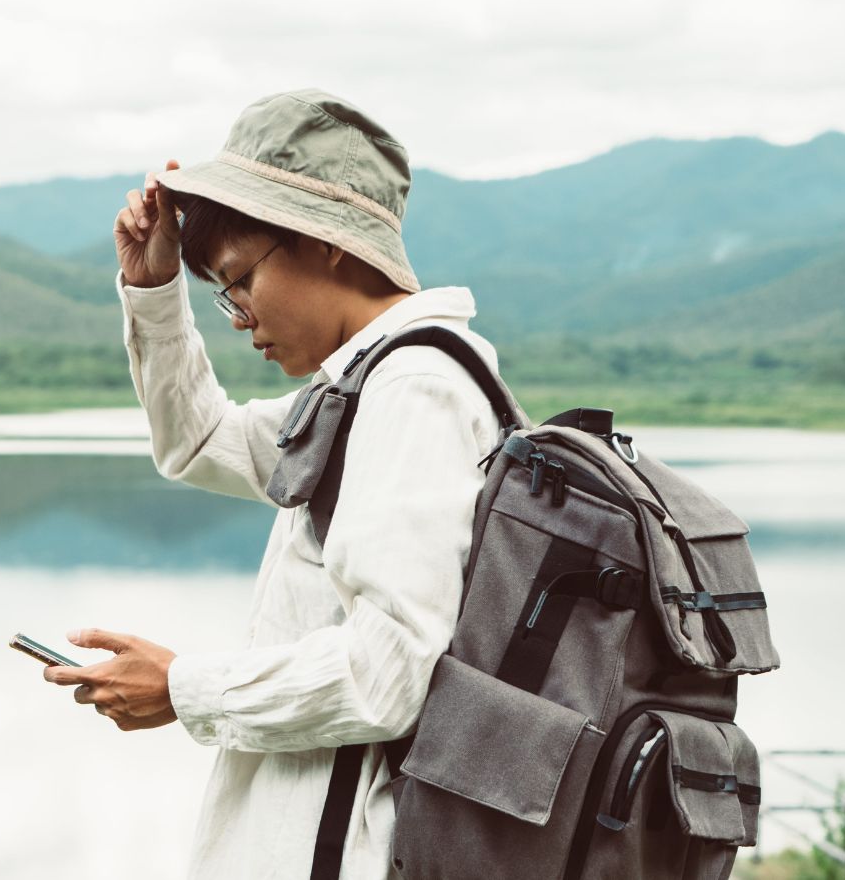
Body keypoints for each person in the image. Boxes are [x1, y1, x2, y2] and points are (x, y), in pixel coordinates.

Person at [42, 89, 509, 879]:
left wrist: (181, 686)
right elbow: (198, 441)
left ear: (325, 242)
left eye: (239, 281)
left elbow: (385, 673)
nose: (238, 315)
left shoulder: (413, 392)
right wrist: (156, 295)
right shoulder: (359, 391)